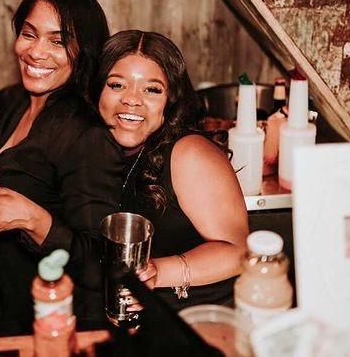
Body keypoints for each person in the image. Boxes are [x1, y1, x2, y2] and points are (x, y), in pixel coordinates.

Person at [0, 0, 126, 335]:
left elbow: (100, 260)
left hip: (50, 325)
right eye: (29, 34)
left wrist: (32, 219)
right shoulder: (19, 105)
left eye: (58, 41)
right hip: (1, 306)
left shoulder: (85, 134)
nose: (36, 52)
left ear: (84, 51)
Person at [92, 30, 249, 310]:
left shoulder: (190, 154)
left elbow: (238, 252)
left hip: (200, 319)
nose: (132, 99)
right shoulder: (94, 150)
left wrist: (157, 271)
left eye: (152, 89)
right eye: (117, 85)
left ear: (171, 100)